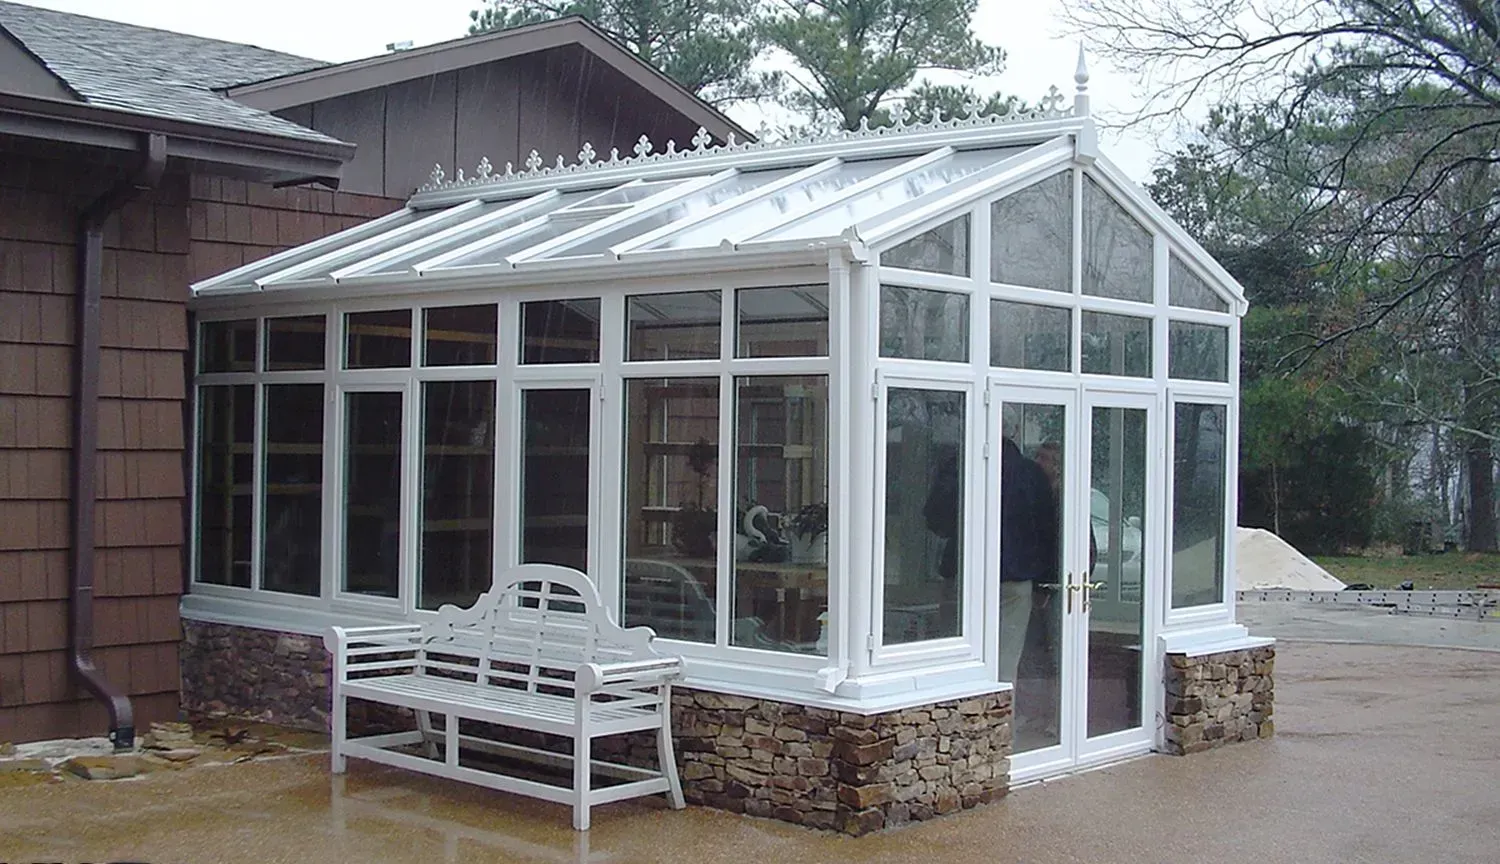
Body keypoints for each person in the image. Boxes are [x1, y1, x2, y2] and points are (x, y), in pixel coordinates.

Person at [997, 438, 1059, 684]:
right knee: (1007, 655)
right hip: (1017, 574)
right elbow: (1045, 533)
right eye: (1039, 456)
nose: (1039, 462)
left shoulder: (961, 463)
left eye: (1045, 458)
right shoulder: (1030, 476)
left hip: (976, 575)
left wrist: (1046, 583)